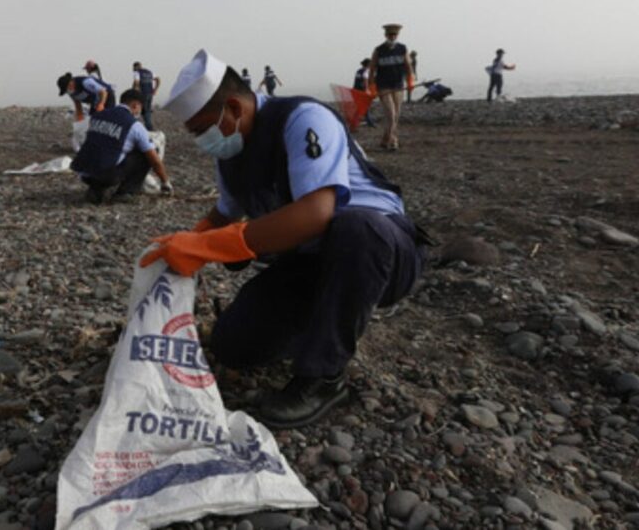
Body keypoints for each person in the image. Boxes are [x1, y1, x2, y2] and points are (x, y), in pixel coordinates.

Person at [142, 49, 426, 429]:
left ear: (233, 108)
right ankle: (323, 324)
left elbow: (316, 213)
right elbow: (224, 214)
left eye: (201, 130)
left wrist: (210, 246)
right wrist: (181, 245)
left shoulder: (302, 119)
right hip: (311, 262)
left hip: (380, 251)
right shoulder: (232, 155)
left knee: (355, 227)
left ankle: (324, 377)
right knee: (234, 345)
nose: (201, 142)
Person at [71, 89, 172, 204]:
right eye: (140, 108)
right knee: (147, 153)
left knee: (106, 148)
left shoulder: (98, 115)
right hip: (106, 176)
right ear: (136, 105)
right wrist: (165, 182)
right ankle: (125, 192)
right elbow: (154, 160)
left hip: (84, 173)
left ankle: (95, 189)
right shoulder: (134, 125)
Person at [367, 23, 414, 150]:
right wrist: (371, 86)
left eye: (394, 34)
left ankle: (386, 139)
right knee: (391, 114)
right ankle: (393, 141)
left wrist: (410, 81)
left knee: (396, 115)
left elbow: (408, 66)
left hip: (398, 85)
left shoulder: (402, 48)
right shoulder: (379, 50)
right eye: (390, 34)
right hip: (383, 85)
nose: (392, 37)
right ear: (386, 35)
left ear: (397, 35)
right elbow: (372, 69)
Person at [131, 61, 161, 130]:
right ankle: (148, 126)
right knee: (147, 110)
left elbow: (136, 83)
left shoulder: (137, 73)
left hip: (142, 94)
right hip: (150, 94)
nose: (133, 69)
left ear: (135, 67)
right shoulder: (149, 72)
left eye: (133, 68)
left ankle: (147, 127)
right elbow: (158, 79)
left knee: (140, 110)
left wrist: (134, 93)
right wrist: (155, 89)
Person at [352, 58, 375, 127]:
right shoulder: (366, 71)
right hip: (361, 91)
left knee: (360, 107)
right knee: (364, 107)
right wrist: (367, 90)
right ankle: (369, 122)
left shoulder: (358, 71)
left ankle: (367, 122)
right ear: (368, 64)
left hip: (356, 90)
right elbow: (365, 82)